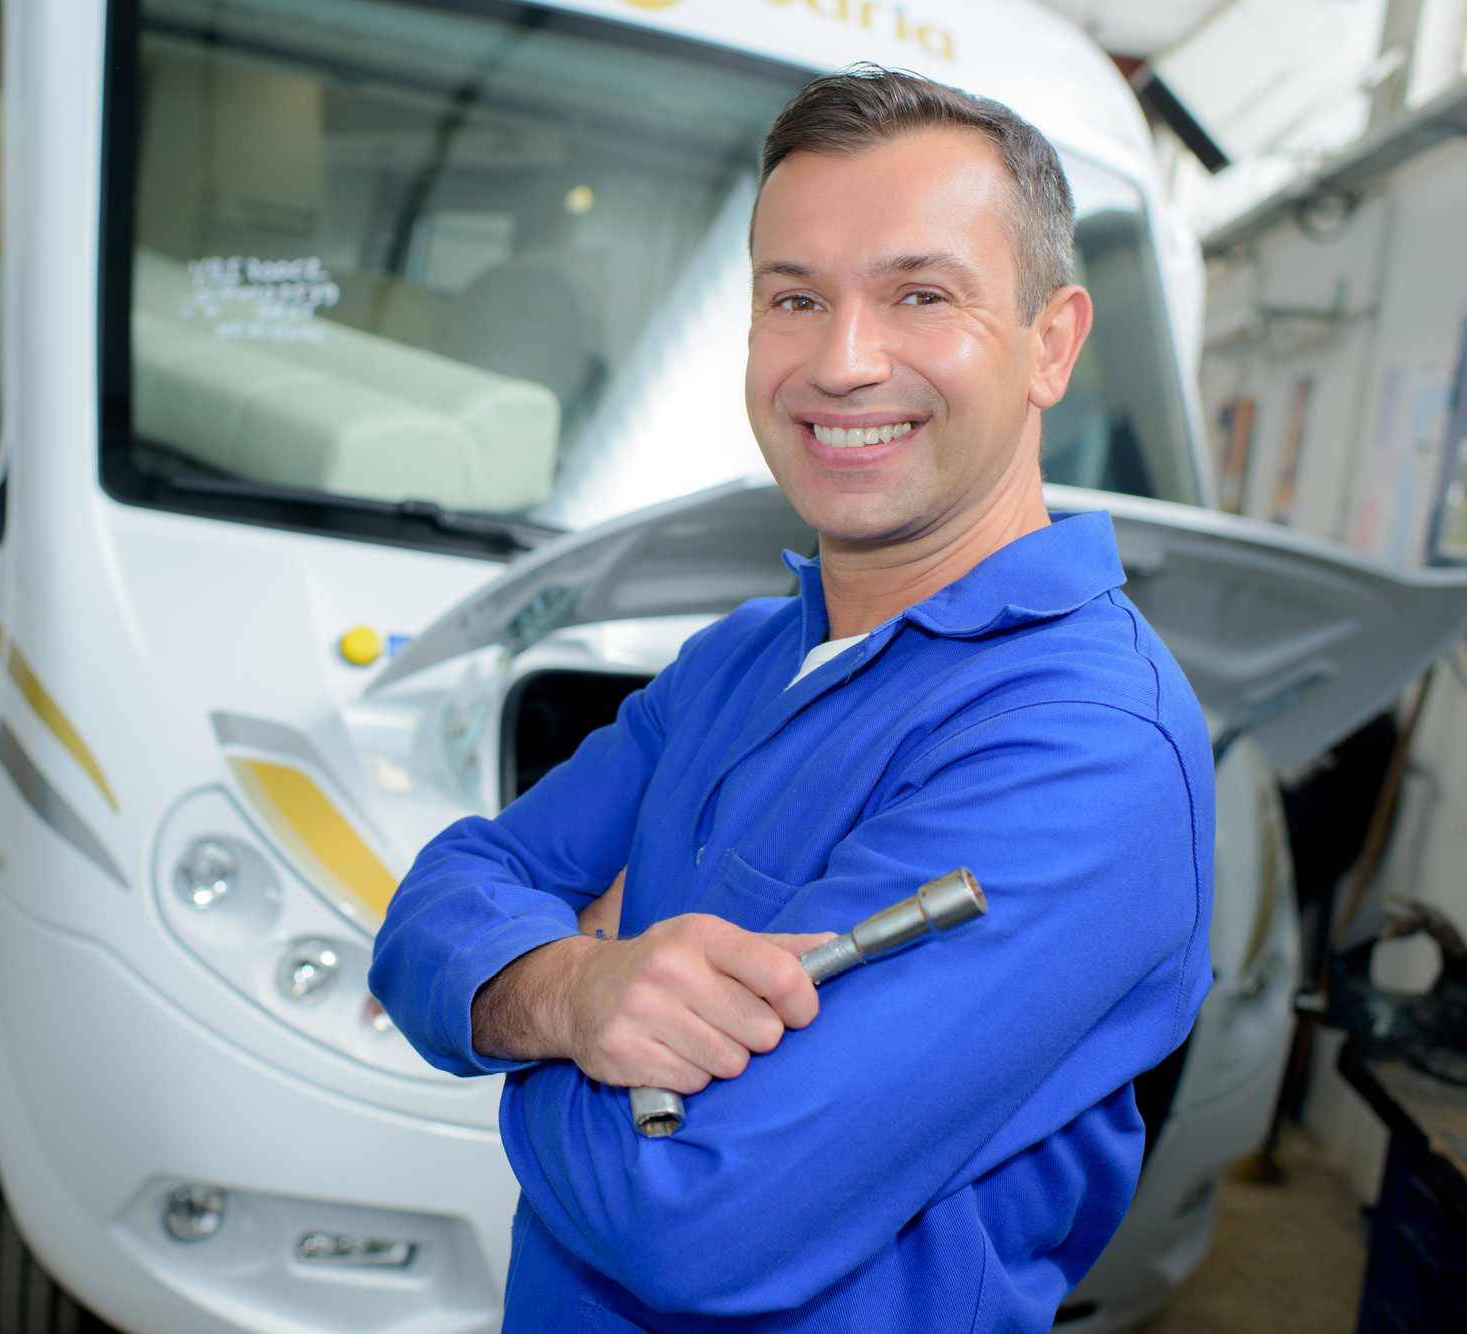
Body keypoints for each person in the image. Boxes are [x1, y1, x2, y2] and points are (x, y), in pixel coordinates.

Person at [368, 65, 1215, 1332]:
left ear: (1050, 342)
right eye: (793, 298)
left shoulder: (1085, 749)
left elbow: (690, 1212)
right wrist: (576, 993)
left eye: (918, 293)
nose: (841, 360)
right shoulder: (742, 658)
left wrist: (524, 992)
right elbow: (429, 907)